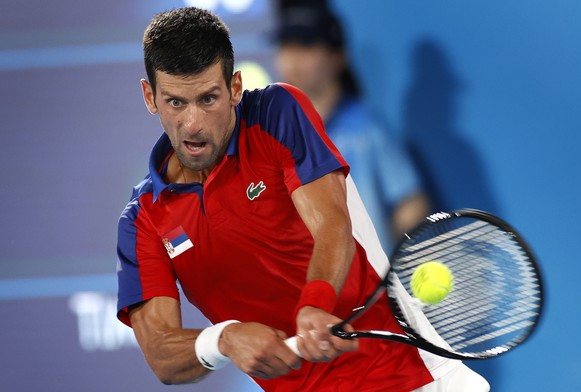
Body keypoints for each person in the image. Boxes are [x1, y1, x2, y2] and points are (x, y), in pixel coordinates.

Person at [116, 7, 489, 392]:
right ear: (150, 96)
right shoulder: (142, 219)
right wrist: (223, 339)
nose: (192, 123)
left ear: (236, 88)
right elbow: (162, 354)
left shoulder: (277, 113)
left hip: (413, 378)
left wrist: (315, 301)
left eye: (208, 99)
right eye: (176, 102)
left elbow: (331, 221)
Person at [274, 5, 431, 252]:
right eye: (286, 45)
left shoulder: (367, 127)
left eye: (306, 46)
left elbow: (411, 206)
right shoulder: (274, 136)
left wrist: (376, 254)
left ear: (338, 58)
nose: (292, 58)